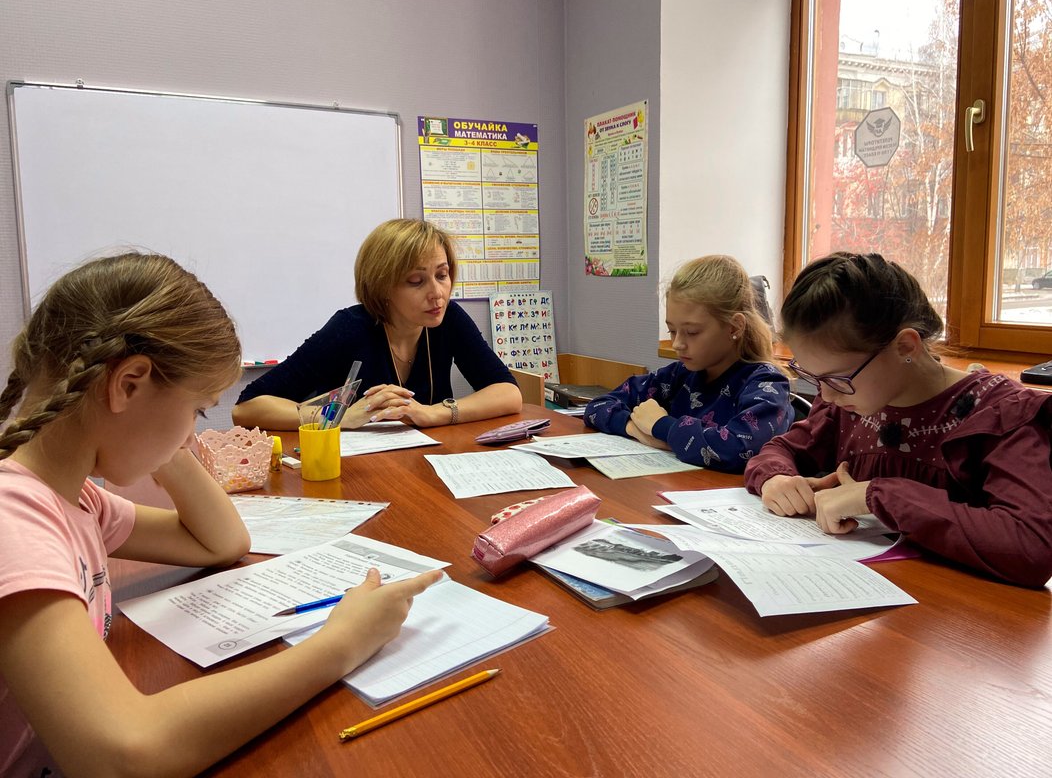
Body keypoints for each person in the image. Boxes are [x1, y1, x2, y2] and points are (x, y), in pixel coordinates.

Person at [0, 253, 441, 777]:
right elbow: (124, 755)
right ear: (128, 384)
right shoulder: (15, 521)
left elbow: (221, 543)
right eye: (197, 409)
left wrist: (163, 443)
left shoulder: (78, 502)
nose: (193, 434)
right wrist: (343, 642)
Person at [744, 252, 1052, 588]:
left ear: (905, 346)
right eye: (811, 376)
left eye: (836, 379)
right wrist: (776, 479)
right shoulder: (848, 404)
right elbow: (780, 450)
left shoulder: (1003, 415)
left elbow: (1031, 547)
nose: (826, 395)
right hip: (860, 590)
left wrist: (878, 496)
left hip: (961, 609)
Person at [232, 218, 522, 430]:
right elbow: (247, 408)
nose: (437, 293)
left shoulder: (450, 319)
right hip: (358, 475)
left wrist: (435, 413)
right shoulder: (349, 327)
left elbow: (508, 394)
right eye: (416, 281)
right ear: (383, 287)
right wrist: (338, 416)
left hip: (428, 466)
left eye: (442, 275)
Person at [584, 255, 793, 472]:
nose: (677, 344)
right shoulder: (678, 375)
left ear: (735, 327)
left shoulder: (766, 384)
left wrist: (661, 426)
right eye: (672, 331)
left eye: (692, 332)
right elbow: (598, 406)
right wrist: (634, 428)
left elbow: (738, 449)